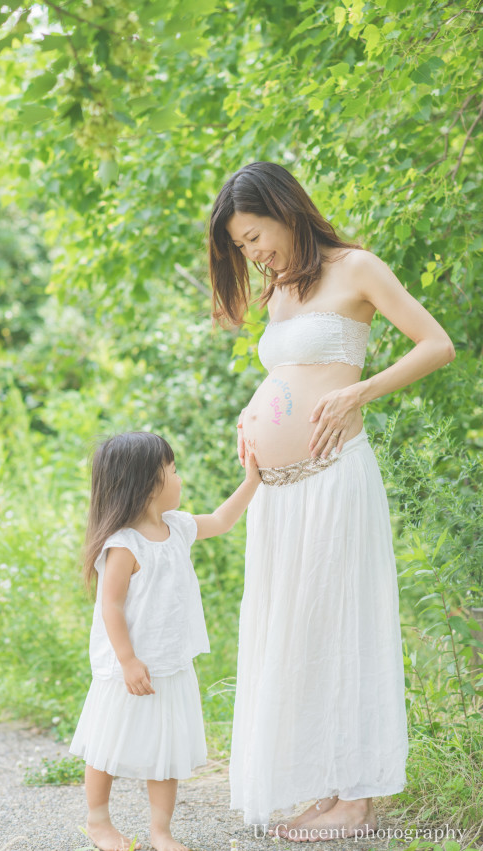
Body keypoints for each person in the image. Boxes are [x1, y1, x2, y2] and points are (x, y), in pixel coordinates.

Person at [207, 161, 456, 843]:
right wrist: (252, 417)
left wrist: (359, 392)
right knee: (299, 630)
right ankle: (323, 782)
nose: (253, 254)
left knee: (342, 622)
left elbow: (438, 344)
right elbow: (290, 374)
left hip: (334, 477)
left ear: (286, 210)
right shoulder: (280, 291)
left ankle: (357, 796)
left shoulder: (358, 269)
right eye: (241, 246)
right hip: (279, 495)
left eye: (254, 236)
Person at [69, 431, 261, 851]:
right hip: (129, 666)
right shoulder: (124, 543)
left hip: (170, 663)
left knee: (166, 750)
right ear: (146, 484)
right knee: (106, 742)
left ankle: (161, 831)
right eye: (172, 471)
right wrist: (128, 660)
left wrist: (252, 480)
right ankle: (97, 820)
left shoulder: (176, 527)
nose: (179, 477)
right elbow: (111, 607)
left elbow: (223, 521)